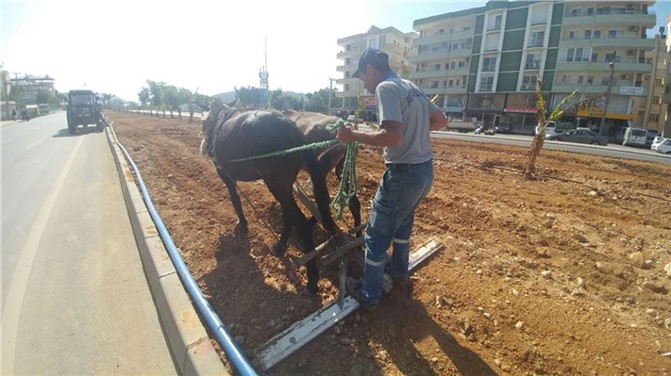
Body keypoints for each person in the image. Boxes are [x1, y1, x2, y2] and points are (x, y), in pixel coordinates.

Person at [336, 48, 448, 311]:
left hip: (403, 173)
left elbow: (393, 137)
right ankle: (398, 272)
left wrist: (353, 136)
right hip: (424, 171)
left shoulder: (385, 88)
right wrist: (413, 130)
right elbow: (441, 120)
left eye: (363, 76)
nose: (364, 82)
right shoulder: (410, 86)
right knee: (402, 222)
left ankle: (370, 293)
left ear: (371, 70)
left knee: (375, 235)